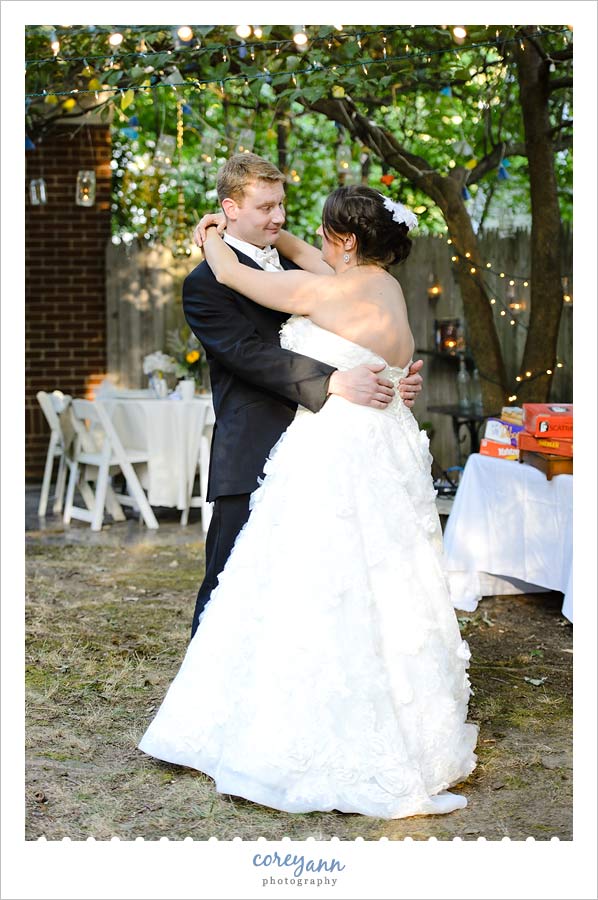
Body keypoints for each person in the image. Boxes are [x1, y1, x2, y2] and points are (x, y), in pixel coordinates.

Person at [138, 183, 478, 819]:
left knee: (311, 581)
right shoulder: (381, 286)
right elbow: (308, 262)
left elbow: (235, 274)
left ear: (346, 242)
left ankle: (287, 725)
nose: (307, 239)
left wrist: (211, 231)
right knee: (373, 583)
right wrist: (271, 233)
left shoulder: (322, 290)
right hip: (386, 449)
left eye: (323, 234)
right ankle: (400, 716)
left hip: (336, 450)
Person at [180, 153, 423, 638]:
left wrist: (392, 379)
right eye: (265, 206)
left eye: (281, 204)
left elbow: (363, 334)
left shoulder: (315, 269)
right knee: (230, 582)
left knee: (320, 587)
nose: (280, 217)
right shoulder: (204, 284)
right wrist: (335, 377)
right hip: (255, 444)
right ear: (230, 207)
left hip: (333, 453)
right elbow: (248, 355)